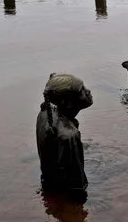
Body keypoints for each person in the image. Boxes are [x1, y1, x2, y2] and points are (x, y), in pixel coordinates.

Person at [36, 73, 93, 203]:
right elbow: (77, 186)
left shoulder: (45, 112)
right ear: (67, 102)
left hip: (48, 184)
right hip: (63, 196)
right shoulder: (69, 135)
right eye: (81, 90)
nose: (88, 91)